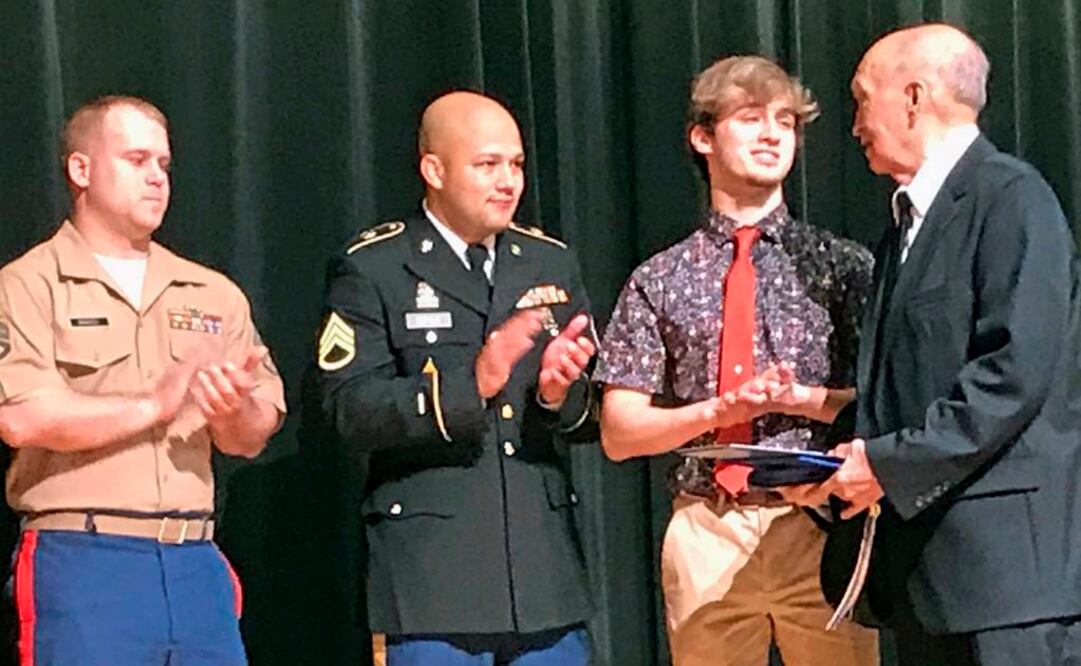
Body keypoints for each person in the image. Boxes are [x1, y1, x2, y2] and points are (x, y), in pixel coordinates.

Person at [795, 23, 1081, 666]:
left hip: (1006, 588)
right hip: (928, 581)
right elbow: (906, 387)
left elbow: (1011, 374)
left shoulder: (1012, 199)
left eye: (863, 99)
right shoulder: (904, 228)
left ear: (915, 97)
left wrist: (886, 466)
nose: (855, 125)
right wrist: (834, 460)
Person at [594, 56, 879, 666]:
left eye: (786, 121)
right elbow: (620, 434)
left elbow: (886, 400)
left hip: (818, 522)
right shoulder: (661, 278)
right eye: (751, 119)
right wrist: (718, 410)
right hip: (707, 528)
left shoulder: (842, 267)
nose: (773, 134)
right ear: (703, 137)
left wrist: (800, 400)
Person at [308, 90, 597, 665]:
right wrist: (472, 383)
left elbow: (589, 414)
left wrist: (558, 395)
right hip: (432, 582)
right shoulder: (376, 265)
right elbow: (349, 406)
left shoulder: (548, 262)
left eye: (515, 164)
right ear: (433, 170)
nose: (508, 181)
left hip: (543, 578)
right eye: (487, 164)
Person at [0, 96, 284, 665]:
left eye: (164, 164)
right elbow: (22, 417)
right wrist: (154, 403)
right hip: (84, 556)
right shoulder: (30, 283)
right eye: (136, 160)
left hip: (194, 559)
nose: (156, 178)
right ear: (81, 170)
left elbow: (252, 434)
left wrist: (233, 410)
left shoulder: (211, 293)